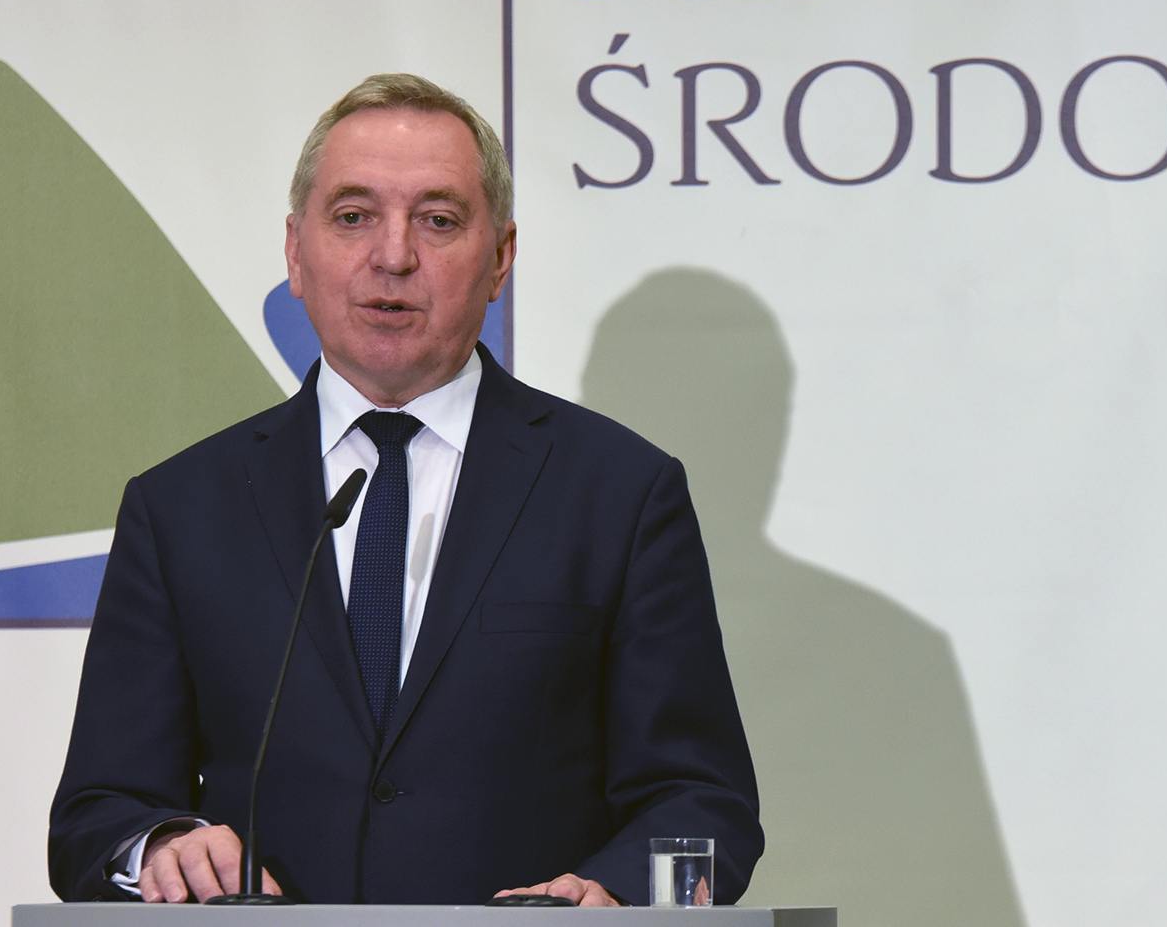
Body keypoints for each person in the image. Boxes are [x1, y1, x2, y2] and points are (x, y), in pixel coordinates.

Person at [47, 74, 761, 906]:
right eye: (353, 216)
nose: (393, 256)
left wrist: (614, 896)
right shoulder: (181, 508)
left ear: (501, 258)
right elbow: (97, 816)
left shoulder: (622, 494)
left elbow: (701, 800)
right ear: (295, 252)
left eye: (439, 220)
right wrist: (163, 847)